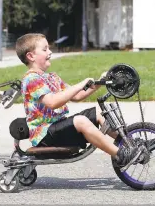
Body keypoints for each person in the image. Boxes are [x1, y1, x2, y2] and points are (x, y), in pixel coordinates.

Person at [15, 33, 144, 168]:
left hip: (58, 127)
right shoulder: (32, 79)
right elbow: (52, 102)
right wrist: (81, 83)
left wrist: (99, 83)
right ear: (31, 56)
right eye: (45, 49)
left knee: (98, 114)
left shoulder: (52, 77)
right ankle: (121, 155)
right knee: (80, 120)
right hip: (44, 135)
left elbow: (76, 96)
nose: (50, 52)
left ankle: (131, 144)